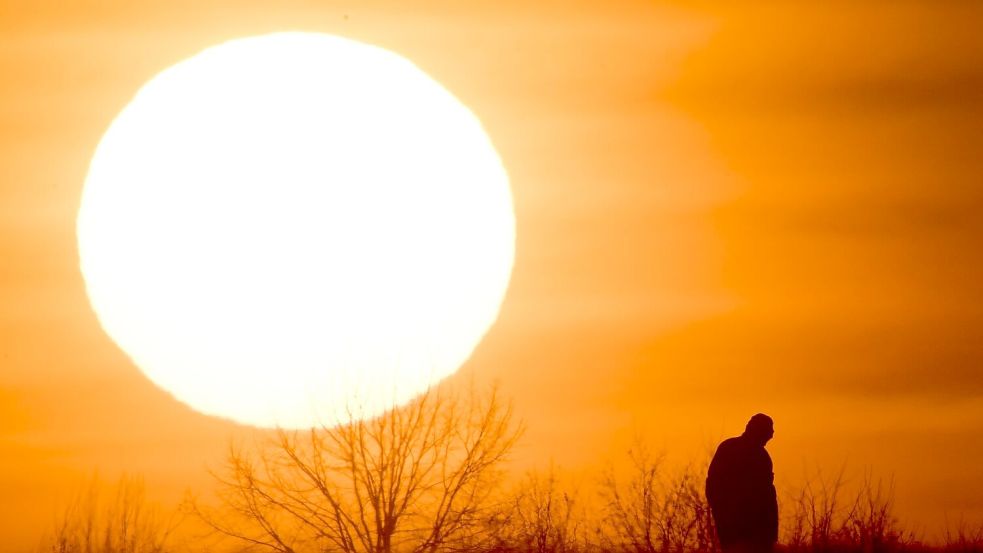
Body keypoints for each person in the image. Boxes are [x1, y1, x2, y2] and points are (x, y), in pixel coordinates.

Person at [706, 413, 778, 553]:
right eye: (768, 431)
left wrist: (771, 532)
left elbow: (768, 495)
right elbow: (713, 485)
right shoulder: (730, 449)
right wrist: (722, 516)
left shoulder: (762, 457)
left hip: (759, 532)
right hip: (737, 530)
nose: (772, 435)